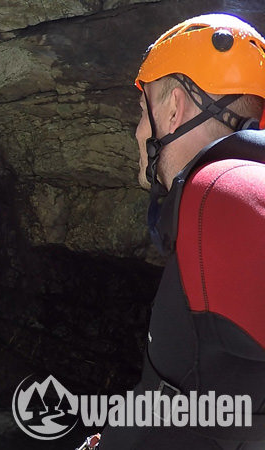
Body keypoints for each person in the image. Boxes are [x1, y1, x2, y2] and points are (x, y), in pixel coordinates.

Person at [96, 13, 265, 449]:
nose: (137, 133)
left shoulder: (221, 191)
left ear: (173, 109)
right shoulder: (220, 198)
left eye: (142, 111)